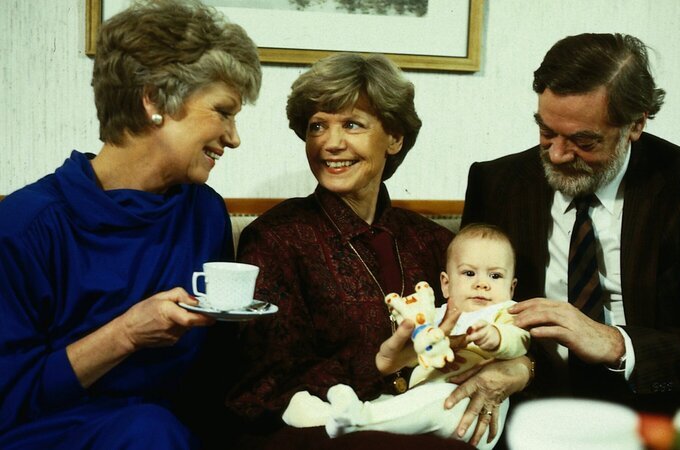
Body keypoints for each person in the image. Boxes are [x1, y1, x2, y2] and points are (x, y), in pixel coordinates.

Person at [226, 53, 532, 449]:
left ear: (394, 137)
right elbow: (266, 385)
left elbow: (501, 318)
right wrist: (378, 367)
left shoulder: (435, 242)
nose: (331, 144)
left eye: (352, 124)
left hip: (436, 420)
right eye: (317, 126)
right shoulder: (275, 239)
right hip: (322, 432)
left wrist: (520, 368)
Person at [0, 1, 261, 448]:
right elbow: (10, 397)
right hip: (50, 432)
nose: (234, 137)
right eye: (222, 111)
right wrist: (125, 334)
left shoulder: (204, 213)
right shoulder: (26, 226)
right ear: (154, 100)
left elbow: (214, 378)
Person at [462, 33, 680, 413]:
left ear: (635, 124)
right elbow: (470, 309)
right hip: (526, 401)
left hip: (651, 407)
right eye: (547, 132)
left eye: (584, 141)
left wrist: (615, 343)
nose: (559, 155)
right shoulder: (495, 183)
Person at [280, 223, 529, 450]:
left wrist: (497, 338)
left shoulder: (504, 312)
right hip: (421, 396)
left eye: (495, 276)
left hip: (471, 413)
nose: (482, 284)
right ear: (446, 283)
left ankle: (357, 419)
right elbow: (414, 356)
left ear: (511, 287)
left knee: (435, 402)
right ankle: (323, 415)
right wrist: (414, 343)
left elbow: (520, 339)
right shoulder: (438, 315)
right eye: (469, 274)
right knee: (395, 401)